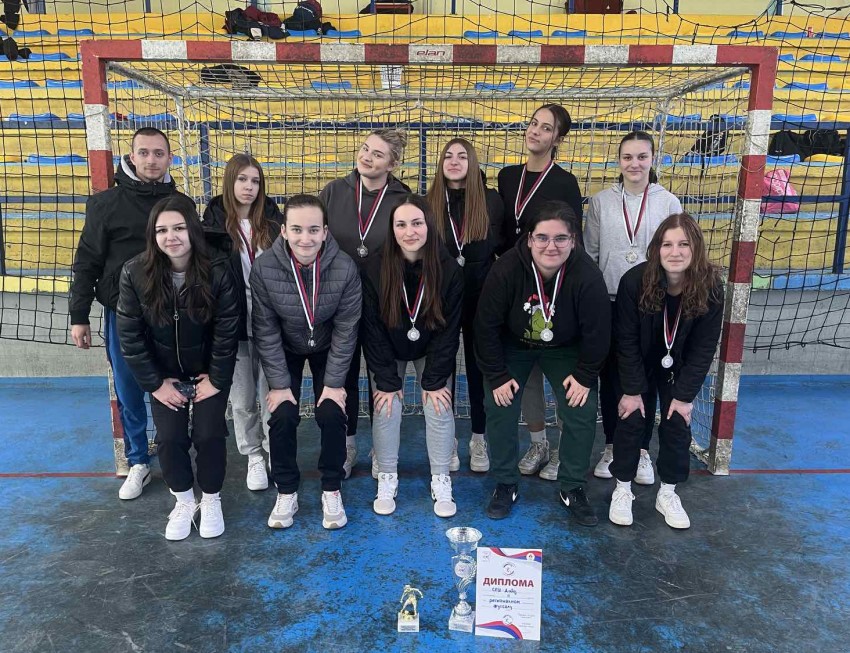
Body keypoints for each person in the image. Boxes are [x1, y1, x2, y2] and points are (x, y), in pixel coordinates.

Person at [69, 127, 192, 500]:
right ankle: (138, 460)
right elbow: (87, 261)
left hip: (171, 314)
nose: (152, 160)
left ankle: (178, 451)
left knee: (175, 384)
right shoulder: (106, 204)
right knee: (128, 388)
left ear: (169, 158)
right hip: (123, 314)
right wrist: (79, 315)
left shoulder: (181, 204)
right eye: (144, 153)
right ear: (132, 156)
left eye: (159, 153)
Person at [475, 201, 610, 525]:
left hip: (564, 347)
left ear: (573, 240)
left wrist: (585, 375)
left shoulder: (587, 275)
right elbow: (485, 326)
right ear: (529, 239)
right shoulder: (506, 269)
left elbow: (598, 331)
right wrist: (497, 374)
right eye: (542, 237)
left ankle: (573, 486)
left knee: (581, 406)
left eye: (561, 238)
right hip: (514, 344)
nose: (551, 246)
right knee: (499, 404)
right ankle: (506, 483)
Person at [117, 195, 239, 541]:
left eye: (179, 228)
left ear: (193, 231)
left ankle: (211, 498)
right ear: (152, 235)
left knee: (209, 434)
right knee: (169, 439)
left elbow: (227, 331)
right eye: (162, 230)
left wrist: (217, 379)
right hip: (165, 377)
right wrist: (156, 384)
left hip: (207, 374)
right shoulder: (134, 273)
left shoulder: (217, 270)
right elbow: (130, 337)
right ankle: (184, 500)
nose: (170, 237)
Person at [250, 194, 361, 530]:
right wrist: (279, 385)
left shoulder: (345, 267)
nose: (305, 238)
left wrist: (334, 384)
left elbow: (346, 329)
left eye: (313, 230)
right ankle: (286, 491)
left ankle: (331, 488)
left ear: (325, 232)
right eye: (297, 229)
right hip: (285, 346)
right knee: (282, 413)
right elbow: (265, 329)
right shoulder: (264, 268)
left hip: (328, 344)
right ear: (284, 231)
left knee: (333, 411)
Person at [608, 213, 723, 529]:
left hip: (679, 365)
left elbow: (704, 349)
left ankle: (668, 492)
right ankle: (623, 488)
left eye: (683, 244)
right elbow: (626, 341)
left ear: (696, 248)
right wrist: (632, 391)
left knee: (677, 422)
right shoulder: (634, 281)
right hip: (638, 360)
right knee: (631, 417)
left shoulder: (711, 287)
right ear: (656, 248)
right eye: (667, 244)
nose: (675, 252)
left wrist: (684, 397)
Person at [584, 130, 683, 483]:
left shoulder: (668, 202)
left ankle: (641, 451)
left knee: (647, 378)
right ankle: (612, 445)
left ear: (652, 159)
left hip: (652, 302)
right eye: (628, 157)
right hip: (611, 300)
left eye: (642, 156)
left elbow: (677, 253)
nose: (635, 163)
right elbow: (591, 254)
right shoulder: (600, 202)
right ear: (619, 161)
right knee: (612, 377)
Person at [497, 104, 584, 481]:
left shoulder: (565, 182)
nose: (535, 131)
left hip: (553, 287)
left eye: (546, 128)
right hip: (516, 285)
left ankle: (564, 450)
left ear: (557, 139)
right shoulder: (507, 177)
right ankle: (538, 443)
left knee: (560, 369)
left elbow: (572, 240)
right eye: (533, 123)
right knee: (526, 371)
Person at [361, 195, 463, 517]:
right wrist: (386, 379)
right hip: (388, 346)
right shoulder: (374, 267)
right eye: (401, 224)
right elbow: (372, 329)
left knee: (439, 402)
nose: (409, 232)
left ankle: (441, 478)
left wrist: (434, 379)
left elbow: (450, 330)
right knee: (386, 403)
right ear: (392, 229)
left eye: (417, 223)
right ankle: (387, 475)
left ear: (429, 226)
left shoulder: (449, 269)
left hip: (431, 345)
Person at [319, 128, 411, 479]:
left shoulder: (403, 197)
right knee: (342, 374)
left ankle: (380, 446)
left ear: (392, 164)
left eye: (377, 154)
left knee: (380, 373)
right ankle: (347, 444)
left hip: (383, 301)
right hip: (338, 300)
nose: (367, 157)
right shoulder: (334, 191)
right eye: (365, 149)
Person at [203, 154, 284, 492]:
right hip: (232, 325)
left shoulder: (274, 221)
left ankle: (274, 451)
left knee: (272, 394)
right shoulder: (213, 223)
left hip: (270, 324)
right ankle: (253, 456)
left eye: (255, 181)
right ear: (230, 181)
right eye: (242, 179)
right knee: (242, 399)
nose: (249, 187)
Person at [425, 138, 504, 473]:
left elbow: (500, 249)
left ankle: (478, 437)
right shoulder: (428, 203)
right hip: (440, 296)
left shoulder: (491, 200)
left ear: (472, 163)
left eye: (462, 156)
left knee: (477, 368)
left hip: (480, 296)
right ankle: (447, 439)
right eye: (448, 156)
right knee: (442, 365)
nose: (454, 161)